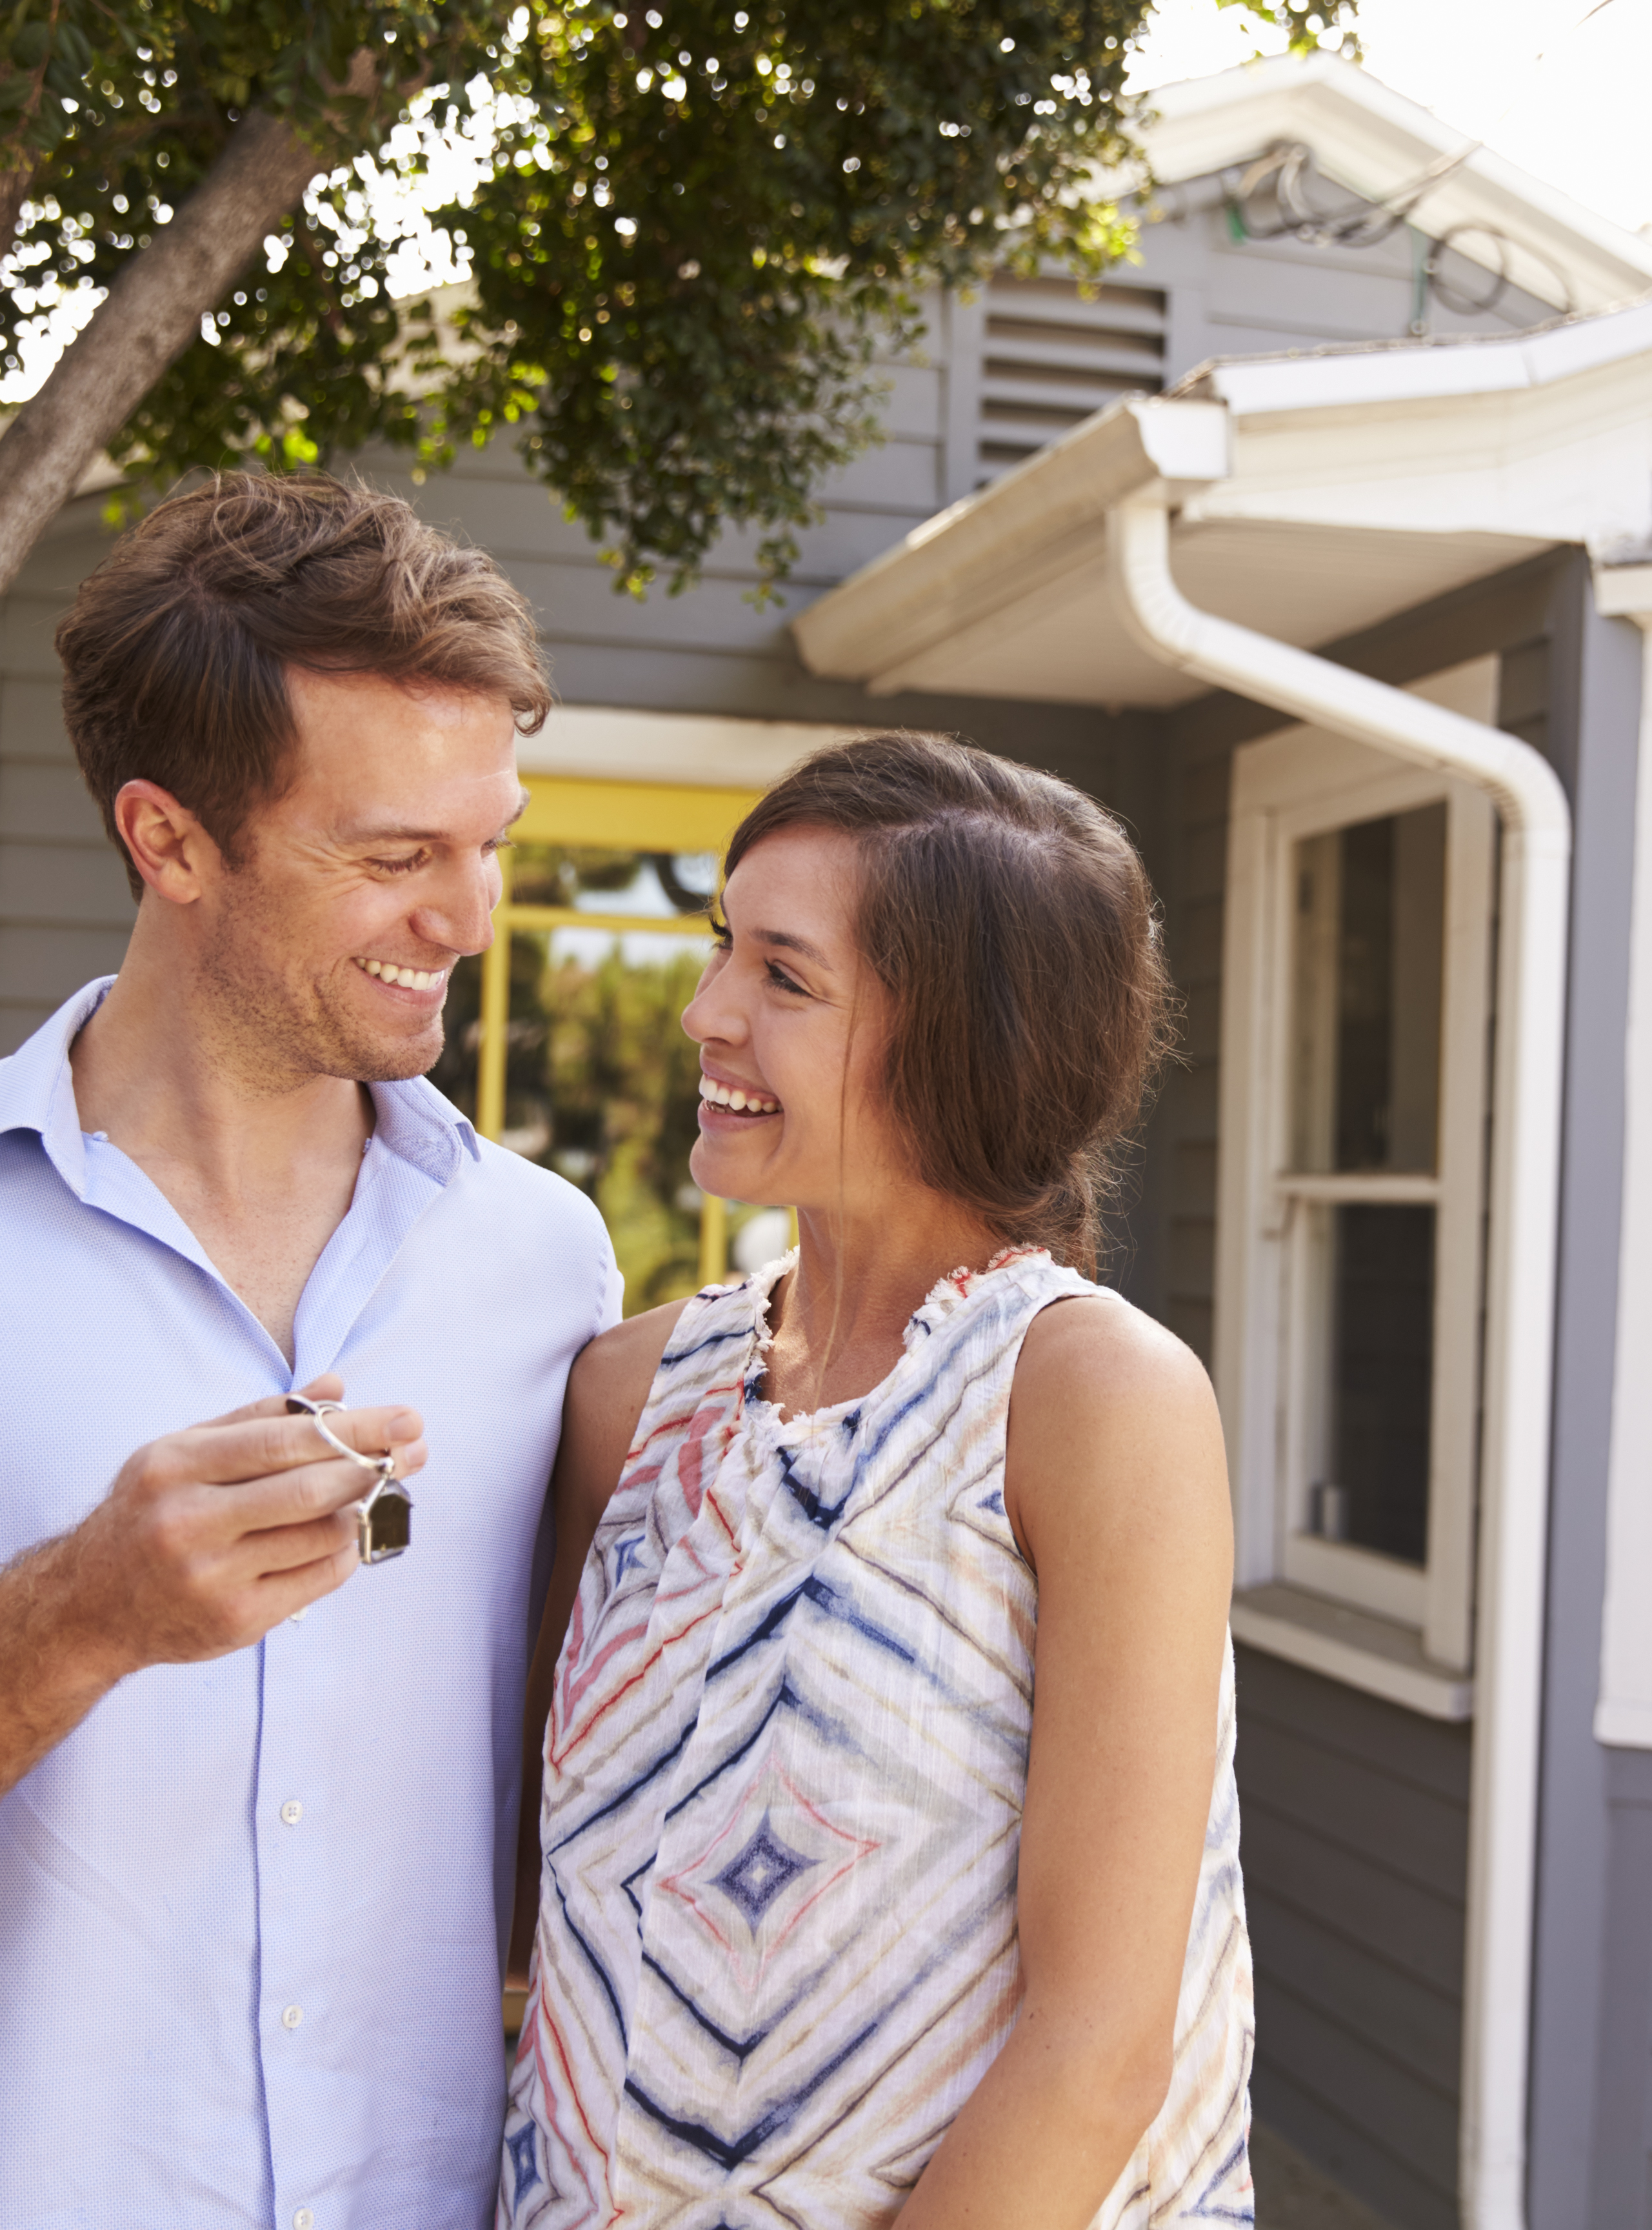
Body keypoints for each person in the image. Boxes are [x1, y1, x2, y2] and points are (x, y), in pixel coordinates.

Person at [0, 472, 618, 2229]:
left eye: (488, 844)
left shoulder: (545, 1265)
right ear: (169, 842)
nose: (468, 918)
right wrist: (76, 1615)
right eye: (392, 858)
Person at [503, 734, 1253, 2227]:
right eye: (726, 950)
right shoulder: (626, 1398)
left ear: (966, 1040)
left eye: (786, 979)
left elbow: (1100, 2051)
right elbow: (531, 1922)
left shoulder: (1089, 1399)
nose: (707, 1013)